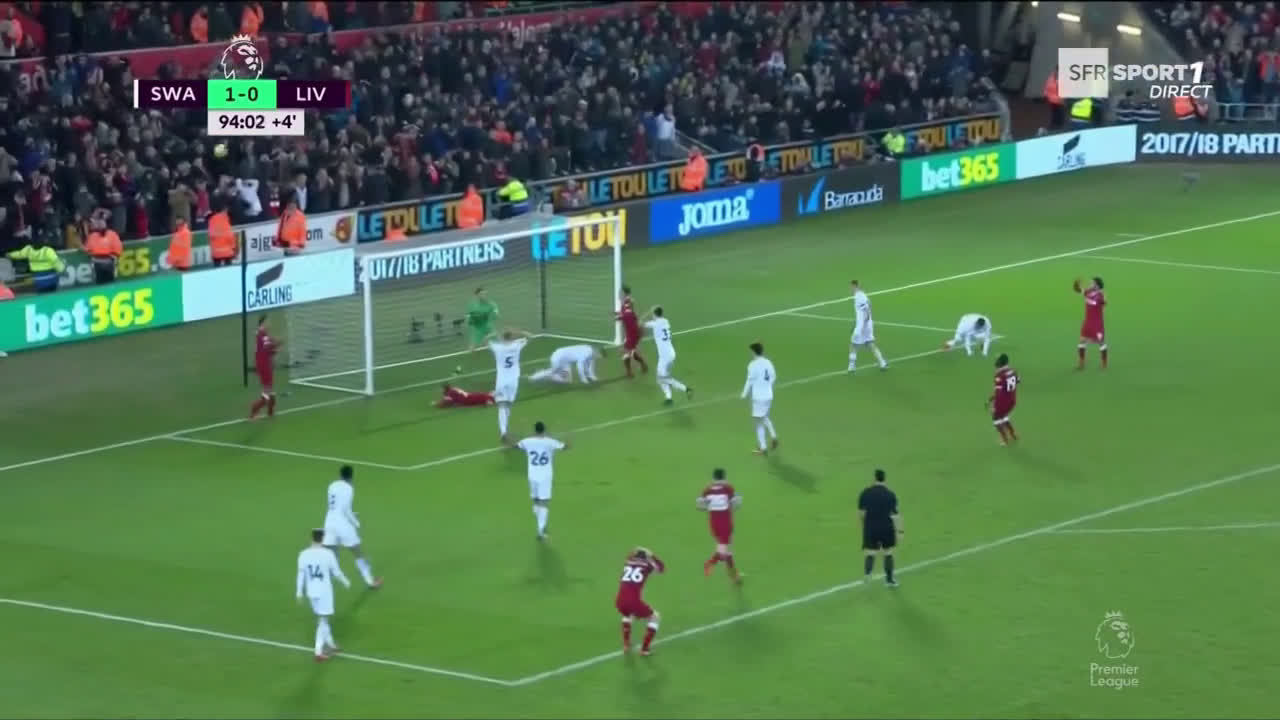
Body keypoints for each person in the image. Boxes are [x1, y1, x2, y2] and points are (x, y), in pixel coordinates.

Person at [296, 527, 351, 662]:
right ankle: (318, 652)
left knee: (323, 619)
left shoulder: (303, 554)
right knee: (323, 620)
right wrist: (346, 582)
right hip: (324, 592)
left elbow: (301, 574)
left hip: (311, 592)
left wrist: (299, 592)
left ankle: (331, 645)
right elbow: (336, 572)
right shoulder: (328, 554)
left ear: (312, 538)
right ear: (323, 539)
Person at [323, 465, 383, 588]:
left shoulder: (332, 485)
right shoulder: (349, 488)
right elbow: (347, 510)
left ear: (340, 475)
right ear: (351, 477)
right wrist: (356, 523)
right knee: (357, 552)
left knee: (332, 555)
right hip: (342, 525)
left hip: (329, 523)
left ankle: (324, 581)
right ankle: (370, 581)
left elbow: (336, 506)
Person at [513, 421, 568, 541]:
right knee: (544, 502)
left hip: (532, 475)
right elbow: (564, 447)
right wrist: (568, 440)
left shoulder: (527, 441)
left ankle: (540, 522)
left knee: (536, 500)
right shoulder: (550, 441)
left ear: (535, 430)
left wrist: (515, 437)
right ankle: (541, 529)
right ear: (544, 429)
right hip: (545, 476)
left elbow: (516, 446)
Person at [615, 547, 665, 656]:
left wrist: (637, 550)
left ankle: (626, 644)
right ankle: (645, 649)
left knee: (627, 615)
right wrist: (652, 555)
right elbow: (661, 568)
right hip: (633, 601)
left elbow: (629, 556)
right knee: (655, 617)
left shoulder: (628, 563)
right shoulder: (647, 565)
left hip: (619, 600)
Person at [858, 468, 902, 587]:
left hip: (871, 527)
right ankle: (889, 580)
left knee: (871, 552)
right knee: (888, 553)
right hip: (886, 527)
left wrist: (864, 527)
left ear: (874, 478)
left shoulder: (865, 493)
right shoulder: (890, 494)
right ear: (884, 479)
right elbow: (895, 515)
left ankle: (867, 575)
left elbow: (861, 513)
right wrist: (899, 531)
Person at [697, 468, 742, 582]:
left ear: (714, 478)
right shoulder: (728, 488)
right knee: (723, 550)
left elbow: (700, 506)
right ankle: (710, 563)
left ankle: (734, 576)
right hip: (725, 522)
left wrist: (709, 505)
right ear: (724, 477)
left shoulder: (707, 490)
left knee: (726, 550)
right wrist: (736, 499)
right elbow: (736, 504)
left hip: (713, 522)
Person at [487, 328, 532, 442]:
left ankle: (503, 431)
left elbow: (485, 341)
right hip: (513, 380)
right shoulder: (517, 345)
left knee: (502, 405)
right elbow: (530, 336)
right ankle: (505, 431)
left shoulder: (497, 347)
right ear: (512, 337)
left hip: (502, 381)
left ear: (502, 338)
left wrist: (493, 334)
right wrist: (518, 332)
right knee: (508, 405)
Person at [641, 306, 692, 405]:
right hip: (671, 353)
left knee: (662, 378)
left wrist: (647, 313)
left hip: (665, 356)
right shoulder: (666, 321)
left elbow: (639, 323)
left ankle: (686, 389)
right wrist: (653, 312)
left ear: (654, 314)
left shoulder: (655, 324)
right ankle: (669, 398)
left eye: (653, 314)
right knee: (662, 377)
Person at [741, 342, 778, 455]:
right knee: (764, 417)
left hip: (759, 397)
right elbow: (773, 376)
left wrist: (744, 393)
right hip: (768, 395)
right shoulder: (768, 362)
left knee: (758, 423)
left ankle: (763, 448)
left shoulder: (752, 365)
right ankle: (773, 437)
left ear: (753, 352)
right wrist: (767, 386)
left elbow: (750, 380)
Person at [848, 280, 888, 373]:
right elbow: (868, 307)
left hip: (862, 326)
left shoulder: (859, 296)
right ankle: (882, 363)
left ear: (855, 286)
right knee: (870, 343)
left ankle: (851, 366)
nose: (850, 289)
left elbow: (866, 310)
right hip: (867, 325)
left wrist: (862, 324)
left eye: (851, 287)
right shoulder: (863, 295)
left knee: (853, 345)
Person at [249, 315, 280, 419]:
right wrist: (276, 346)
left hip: (263, 364)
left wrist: (274, 347)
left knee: (270, 389)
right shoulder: (263, 335)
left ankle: (270, 412)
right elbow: (267, 349)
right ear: (263, 323)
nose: (269, 324)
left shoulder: (261, 334)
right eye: (268, 322)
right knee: (267, 390)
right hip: (264, 365)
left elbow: (265, 348)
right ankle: (253, 413)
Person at [1073, 276, 1107, 369]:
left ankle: (1104, 362)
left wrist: (1100, 298)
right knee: (1082, 340)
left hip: (1097, 323)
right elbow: (1079, 291)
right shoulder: (1088, 292)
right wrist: (1076, 286)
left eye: (1092, 283)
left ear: (1097, 285)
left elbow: (1103, 303)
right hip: (1087, 322)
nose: (1090, 284)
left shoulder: (1100, 295)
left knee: (1101, 342)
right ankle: (1081, 362)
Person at [616, 285, 648, 377]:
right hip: (632, 331)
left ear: (623, 293)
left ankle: (629, 372)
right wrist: (618, 315)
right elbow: (628, 314)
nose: (619, 294)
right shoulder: (626, 301)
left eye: (620, 292)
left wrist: (619, 317)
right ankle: (643, 364)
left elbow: (628, 315)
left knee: (625, 351)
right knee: (631, 351)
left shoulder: (627, 301)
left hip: (632, 331)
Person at [529, 344, 604, 384]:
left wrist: (592, 377)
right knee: (552, 371)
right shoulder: (586, 353)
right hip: (558, 358)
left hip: (565, 361)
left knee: (567, 380)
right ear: (597, 352)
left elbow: (589, 366)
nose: (598, 357)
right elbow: (579, 366)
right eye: (599, 356)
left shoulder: (591, 353)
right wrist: (583, 379)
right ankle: (534, 377)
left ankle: (552, 375)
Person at [988, 353, 1020, 446]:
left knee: (996, 418)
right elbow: (1017, 381)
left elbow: (998, 392)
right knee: (1003, 416)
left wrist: (993, 403)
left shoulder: (999, 375)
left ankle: (1004, 439)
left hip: (1002, 402)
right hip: (1012, 400)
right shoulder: (1013, 371)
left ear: (1000, 362)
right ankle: (1013, 434)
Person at [84, 220, 123, 284]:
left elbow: (118, 246)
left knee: (110, 281)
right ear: (97, 227)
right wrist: (92, 256)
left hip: (109, 262)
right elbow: (88, 249)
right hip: (97, 263)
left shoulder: (112, 234)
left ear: (106, 225)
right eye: (100, 225)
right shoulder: (92, 236)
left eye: (103, 225)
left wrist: (114, 256)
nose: (101, 227)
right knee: (99, 281)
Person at [466, 288, 500, 353]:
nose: (484, 295)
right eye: (481, 294)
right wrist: (469, 320)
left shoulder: (491, 304)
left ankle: (491, 346)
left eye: (484, 294)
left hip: (487, 325)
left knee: (498, 339)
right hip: (477, 327)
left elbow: (495, 312)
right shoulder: (472, 305)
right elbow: (468, 315)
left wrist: (495, 314)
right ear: (477, 295)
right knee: (472, 348)